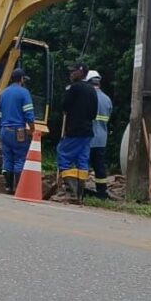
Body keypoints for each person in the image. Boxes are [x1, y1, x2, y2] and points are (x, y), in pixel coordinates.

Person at [57, 62, 98, 203]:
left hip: (74, 130)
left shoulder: (74, 88)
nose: (71, 74)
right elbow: (93, 113)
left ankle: (71, 192)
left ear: (81, 72)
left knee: (63, 154)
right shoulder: (92, 90)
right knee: (82, 161)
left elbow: (64, 106)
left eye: (73, 71)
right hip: (87, 131)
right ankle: (80, 193)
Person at [0, 68, 35, 193]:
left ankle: (8, 186)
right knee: (20, 158)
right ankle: (18, 187)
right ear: (22, 79)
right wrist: (32, 130)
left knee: (7, 158)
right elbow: (29, 114)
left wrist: (0, 130)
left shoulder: (3, 93)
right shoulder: (24, 93)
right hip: (18, 131)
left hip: (4, 130)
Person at [85, 70, 113, 199]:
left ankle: (80, 190)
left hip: (87, 138)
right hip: (101, 139)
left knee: (83, 165)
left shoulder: (87, 97)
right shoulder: (107, 99)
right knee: (99, 167)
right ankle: (102, 193)